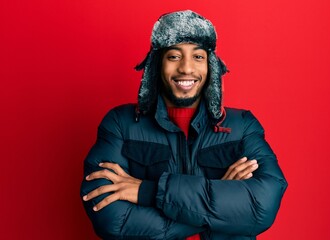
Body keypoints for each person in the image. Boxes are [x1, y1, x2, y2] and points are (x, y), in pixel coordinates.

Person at [80, 10, 287, 240]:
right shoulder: (120, 124)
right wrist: (222, 209)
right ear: (158, 64)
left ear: (211, 66)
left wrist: (147, 191)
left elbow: (262, 208)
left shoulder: (243, 127)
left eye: (198, 57)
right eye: (174, 56)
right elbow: (113, 221)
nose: (186, 68)